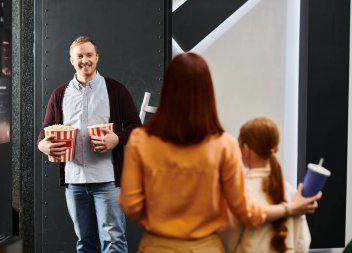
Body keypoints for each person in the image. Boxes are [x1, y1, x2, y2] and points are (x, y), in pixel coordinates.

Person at [118, 52, 321, 253]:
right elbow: (247, 211)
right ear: (207, 92)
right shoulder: (225, 144)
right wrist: (289, 208)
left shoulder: (140, 140)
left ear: (168, 89)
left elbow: (130, 206)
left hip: (156, 247)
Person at [37, 36, 142, 253]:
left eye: (89, 55)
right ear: (71, 60)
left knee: (113, 241)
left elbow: (136, 126)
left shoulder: (115, 90)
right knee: (85, 243)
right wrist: (43, 146)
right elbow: (44, 132)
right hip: (74, 181)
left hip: (108, 181)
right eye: (80, 56)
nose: (85, 60)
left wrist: (117, 139)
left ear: (97, 57)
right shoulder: (60, 94)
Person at [220, 117, 311, 253]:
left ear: (245, 149)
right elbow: (303, 243)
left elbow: (227, 241)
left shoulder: (240, 192)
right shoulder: (291, 192)